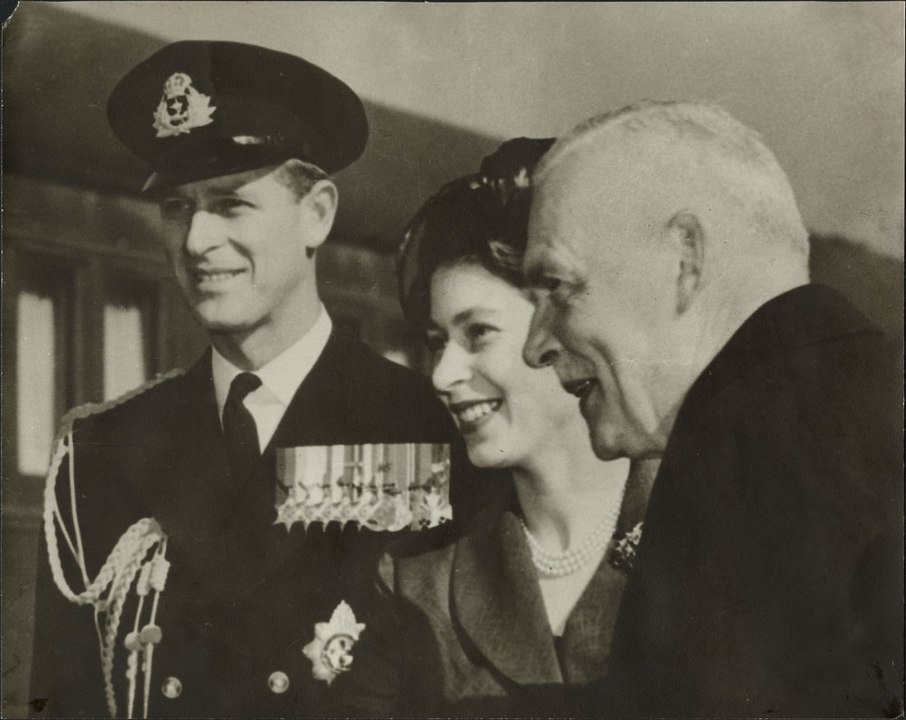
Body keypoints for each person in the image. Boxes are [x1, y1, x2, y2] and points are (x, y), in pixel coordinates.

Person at [29, 40, 464, 718]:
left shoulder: (427, 427)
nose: (197, 239)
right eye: (178, 207)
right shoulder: (98, 453)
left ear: (317, 213)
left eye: (231, 205)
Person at [522, 100, 903, 717]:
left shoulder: (751, 449)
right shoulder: (845, 393)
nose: (534, 345)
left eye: (559, 287)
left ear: (685, 260)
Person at [330, 138, 658, 717]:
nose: (443, 374)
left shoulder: (714, 535)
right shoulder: (413, 582)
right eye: (436, 344)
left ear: (566, 328)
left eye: (477, 333)